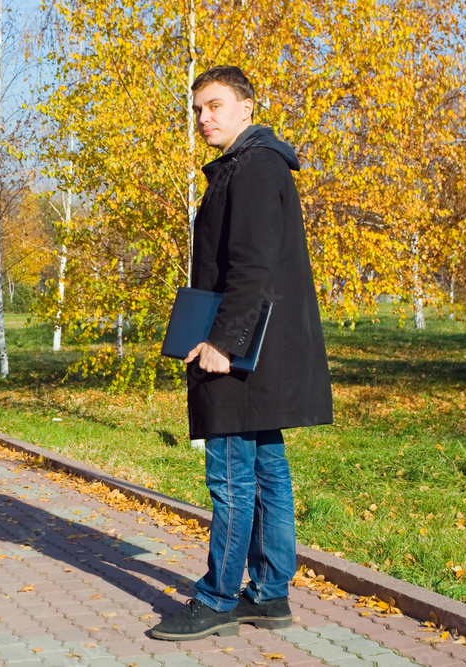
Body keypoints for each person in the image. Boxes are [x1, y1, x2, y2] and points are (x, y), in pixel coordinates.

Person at [150, 66, 334, 641]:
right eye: (198, 109)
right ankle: (270, 595)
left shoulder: (253, 167)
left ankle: (218, 598)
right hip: (262, 347)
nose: (204, 118)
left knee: (231, 478)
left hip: (241, 350)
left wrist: (222, 345)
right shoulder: (248, 164)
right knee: (268, 472)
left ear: (247, 107)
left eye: (216, 106)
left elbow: (251, 268)